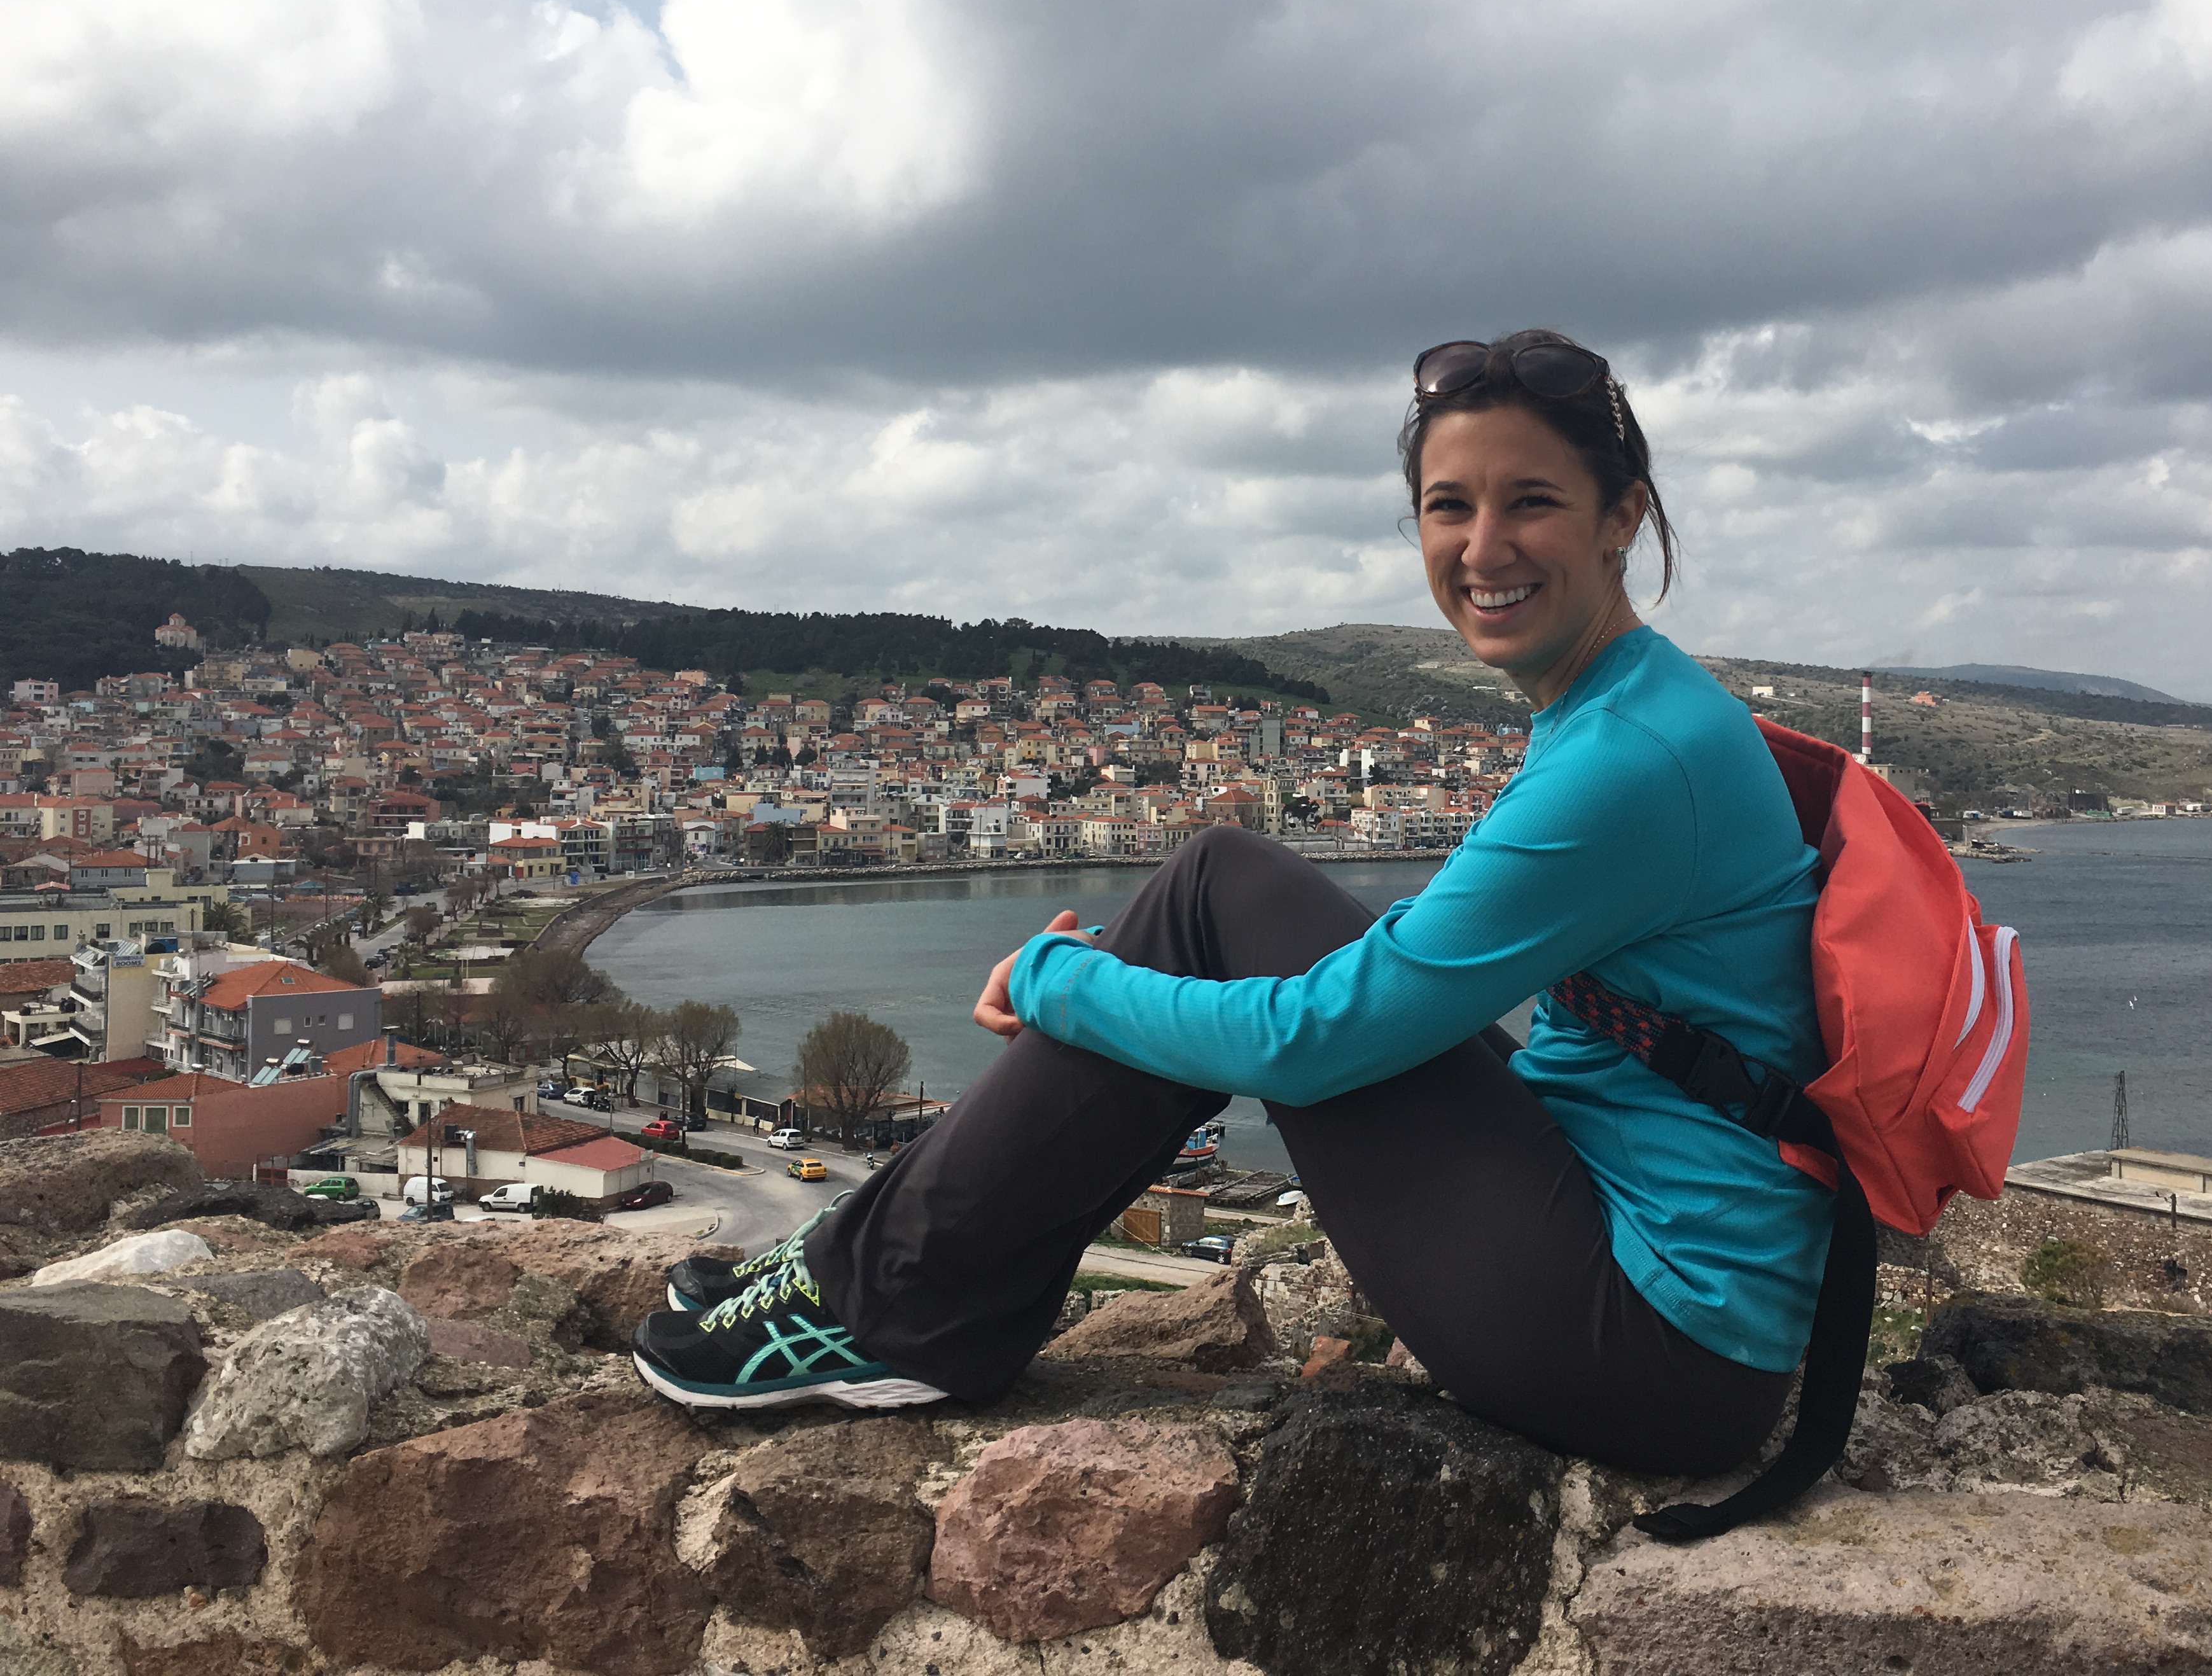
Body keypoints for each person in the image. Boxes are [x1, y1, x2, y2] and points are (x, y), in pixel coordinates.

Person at [629, 329, 1833, 1478]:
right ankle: (866, 1283)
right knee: (1223, 882)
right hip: (1661, 1290)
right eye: (1449, 505)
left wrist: (1064, 982)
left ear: (1622, 515)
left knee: (1214, 896)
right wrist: (1121, 986)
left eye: (1532, 501)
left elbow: (1308, 1046)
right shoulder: (1631, 708)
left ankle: (870, 1302)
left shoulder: (1632, 758)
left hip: (1656, 1347)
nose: (1482, 547)